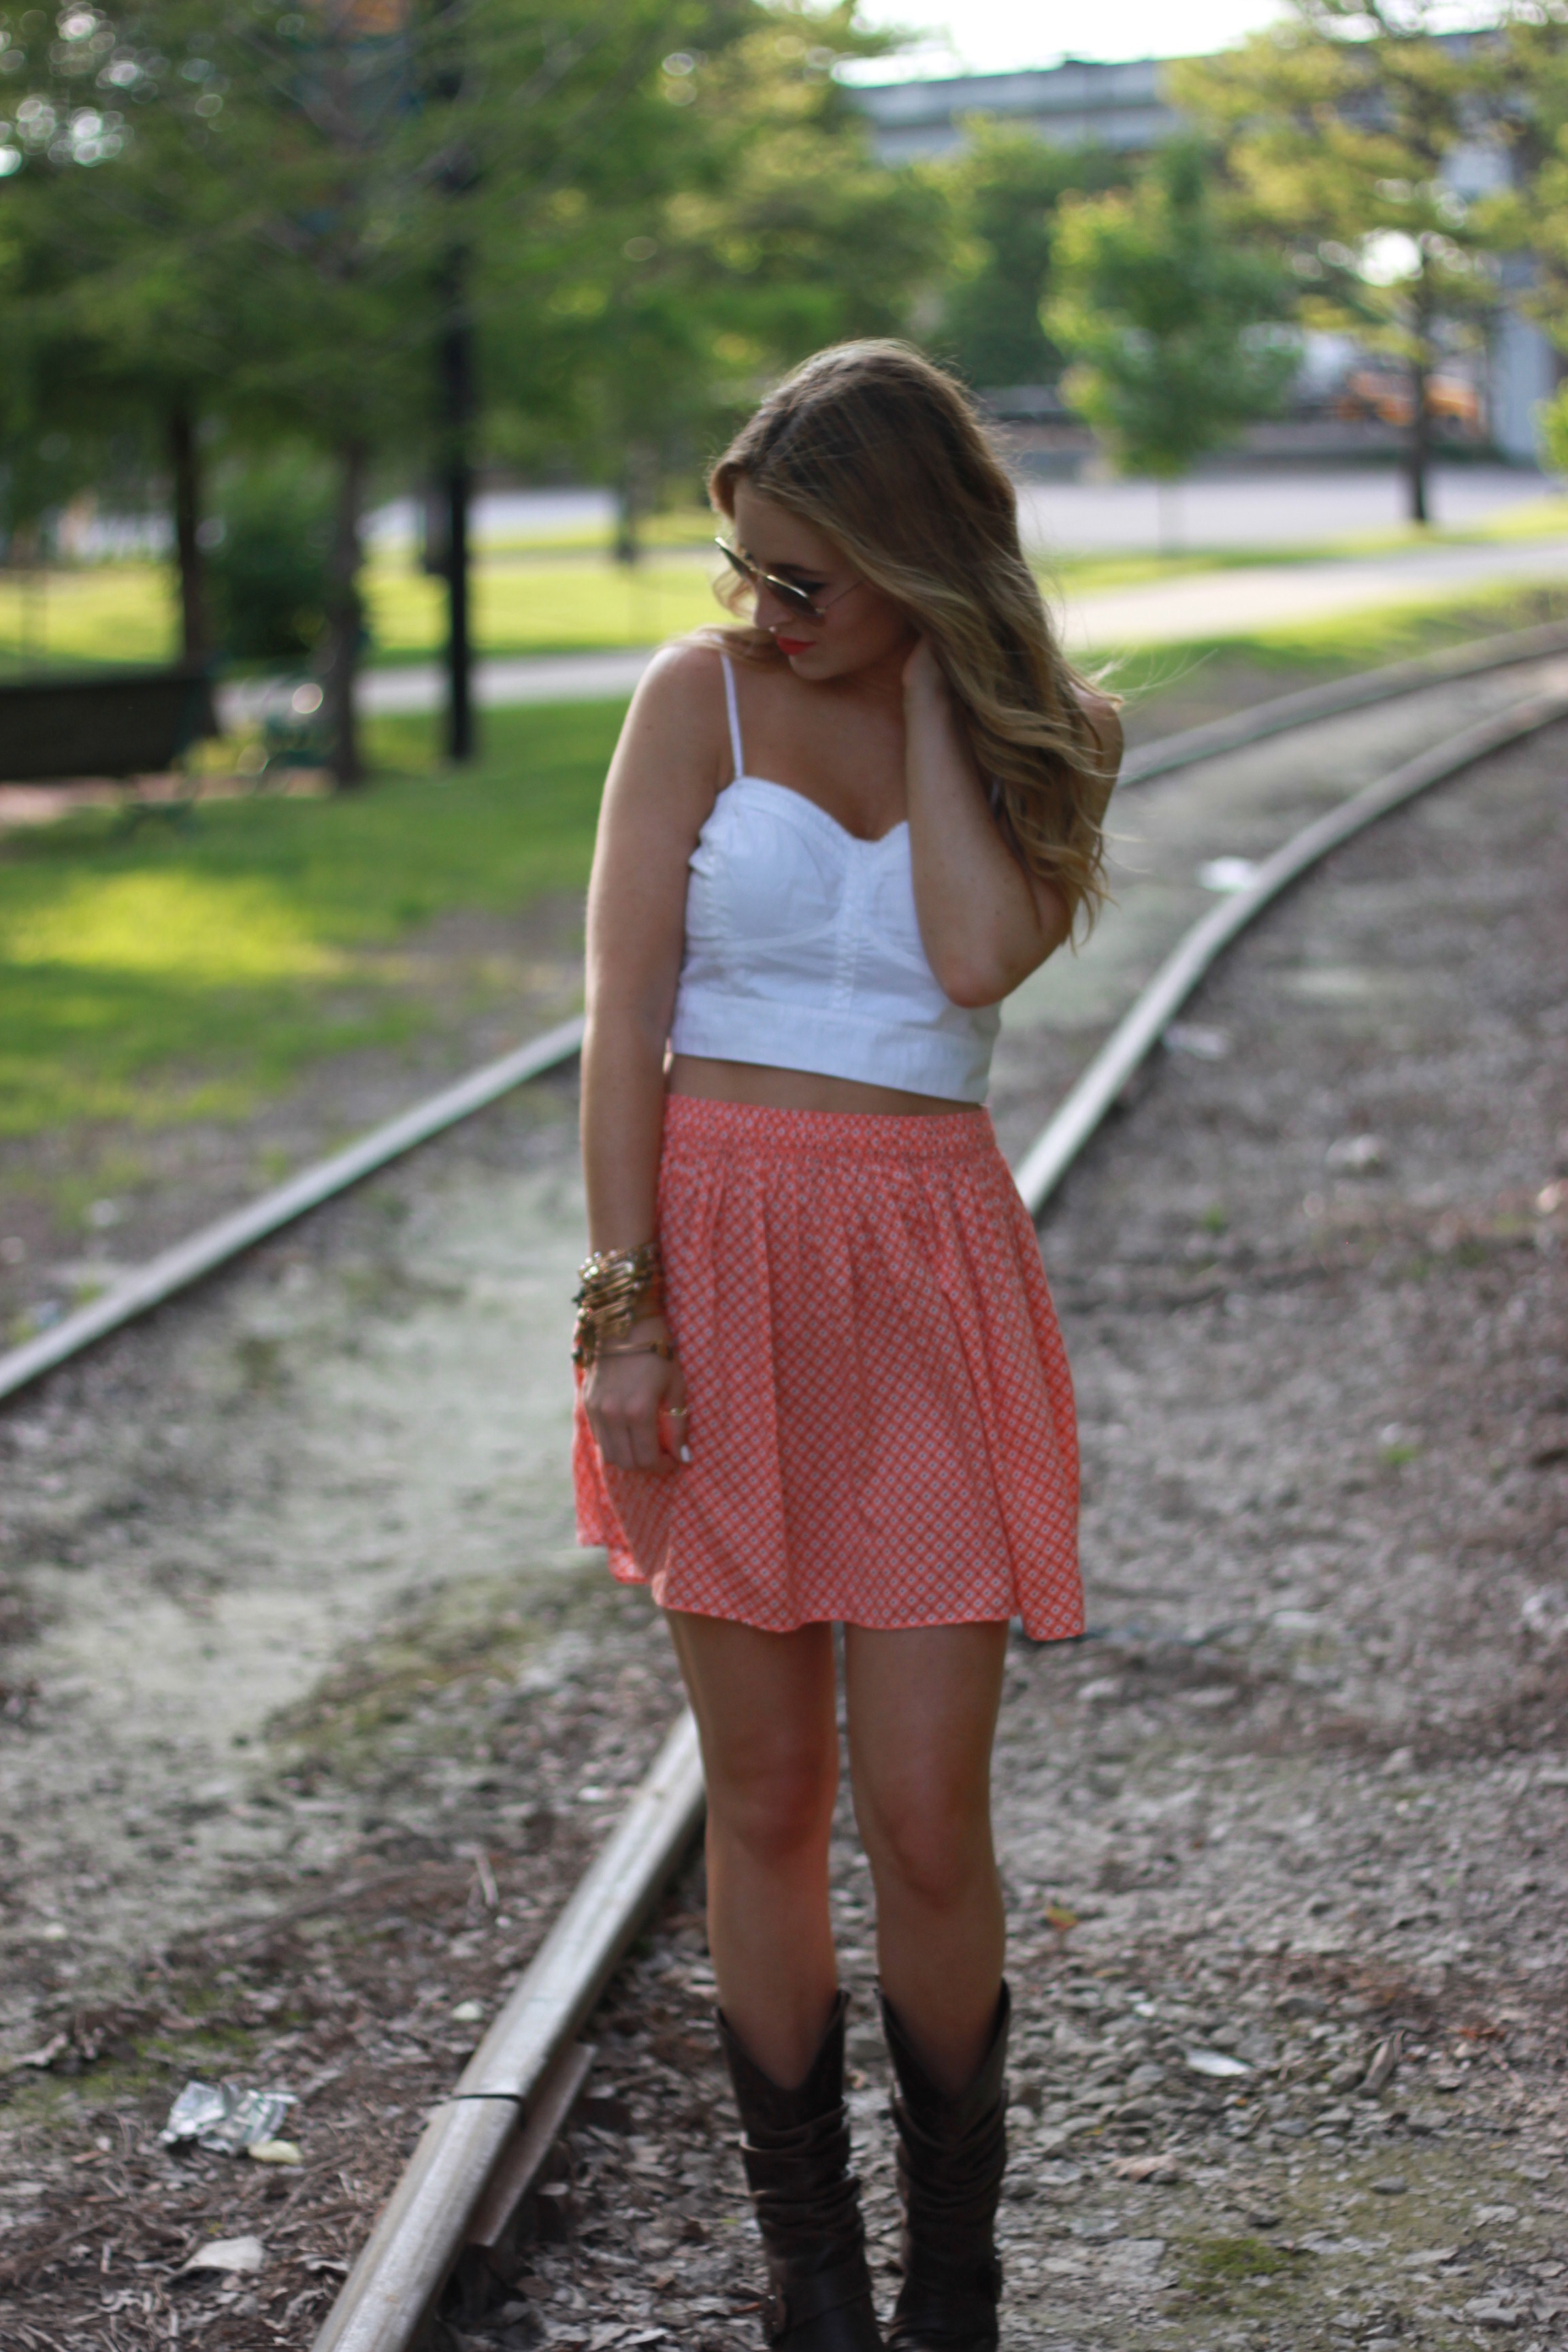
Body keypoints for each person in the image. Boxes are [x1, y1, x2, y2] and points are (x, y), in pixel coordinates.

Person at [572, 341, 1120, 2352]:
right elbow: (622, 1017)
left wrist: (931, 689)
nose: (764, 613)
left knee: (924, 1814)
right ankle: (810, 2272)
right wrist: (622, 1314)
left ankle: (950, 2282)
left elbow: (974, 958)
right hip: (716, 1262)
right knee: (772, 1796)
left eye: (808, 579)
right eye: (747, 570)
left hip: (922, 1273)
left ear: (919, 559)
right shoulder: (690, 701)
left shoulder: (1042, 729)